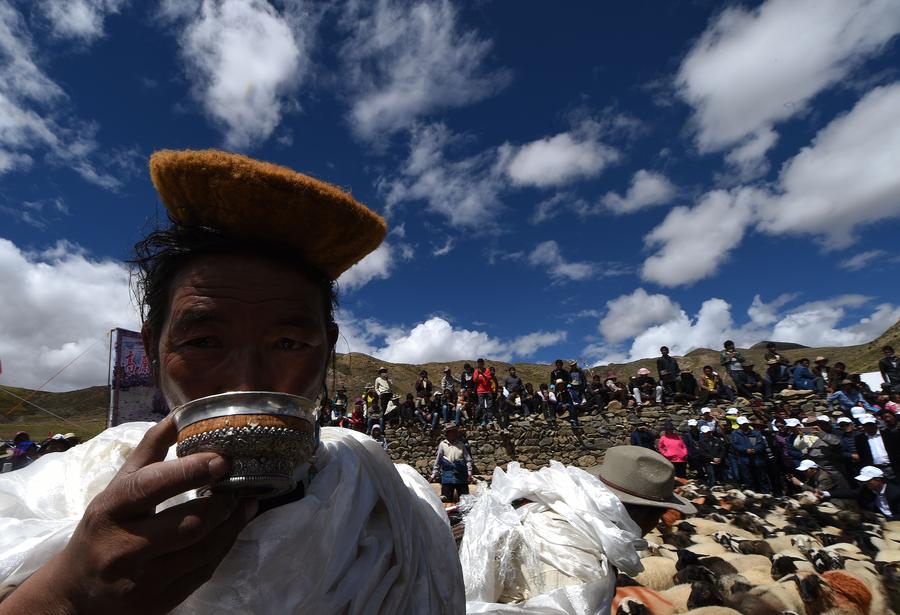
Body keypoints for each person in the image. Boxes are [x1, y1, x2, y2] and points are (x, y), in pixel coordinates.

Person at [0, 149, 463, 613]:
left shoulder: (390, 511)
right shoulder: (58, 493)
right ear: (152, 350)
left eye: (287, 344)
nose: (248, 382)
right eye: (203, 342)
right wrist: (65, 595)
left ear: (327, 349)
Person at [431, 423, 473, 503]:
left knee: (465, 501)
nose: (454, 434)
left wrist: (469, 474)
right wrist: (433, 475)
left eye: (455, 432)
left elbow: (468, 460)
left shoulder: (461, 445)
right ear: (447, 434)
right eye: (451, 432)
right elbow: (438, 461)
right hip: (447, 477)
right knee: (446, 500)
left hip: (461, 477)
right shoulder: (443, 445)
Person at [790, 460, 856, 510]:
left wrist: (800, 484)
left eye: (805, 471)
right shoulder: (812, 476)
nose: (804, 473)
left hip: (838, 503)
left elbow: (819, 493)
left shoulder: (824, 477)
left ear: (813, 469)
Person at [856, 414, 900, 479]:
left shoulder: (889, 434)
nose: (869, 427)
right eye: (866, 425)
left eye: (871, 424)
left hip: (893, 467)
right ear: (863, 426)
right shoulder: (860, 439)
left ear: (876, 423)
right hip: (875, 469)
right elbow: (862, 456)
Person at [731, 416, 769, 491]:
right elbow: (735, 445)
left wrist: (755, 449)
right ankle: (752, 493)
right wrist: (745, 450)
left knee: (761, 477)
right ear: (739, 425)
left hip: (757, 459)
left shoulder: (756, 433)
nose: (744, 425)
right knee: (748, 478)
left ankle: (765, 493)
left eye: (745, 424)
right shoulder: (735, 434)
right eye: (742, 424)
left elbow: (761, 444)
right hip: (744, 459)